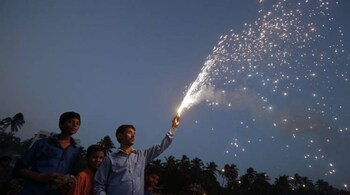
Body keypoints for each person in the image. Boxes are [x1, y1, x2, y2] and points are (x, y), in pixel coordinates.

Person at [94, 115, 180, 195]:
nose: (133, 135)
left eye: (134, 133)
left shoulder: (142, 156)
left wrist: (173, 128)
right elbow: (98, 185)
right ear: (120, 136)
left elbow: (161, 147)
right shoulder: (110, 158)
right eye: (130, 132)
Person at [15, 111, 82, 195]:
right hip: (32, 190)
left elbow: (73, 175)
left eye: (78, 123)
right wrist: (40, 177)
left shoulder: (75, 151)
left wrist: (68, 182)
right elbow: (20, 169)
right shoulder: (43, 143)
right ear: (61, 125)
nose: (74, 125)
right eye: (70, 121)